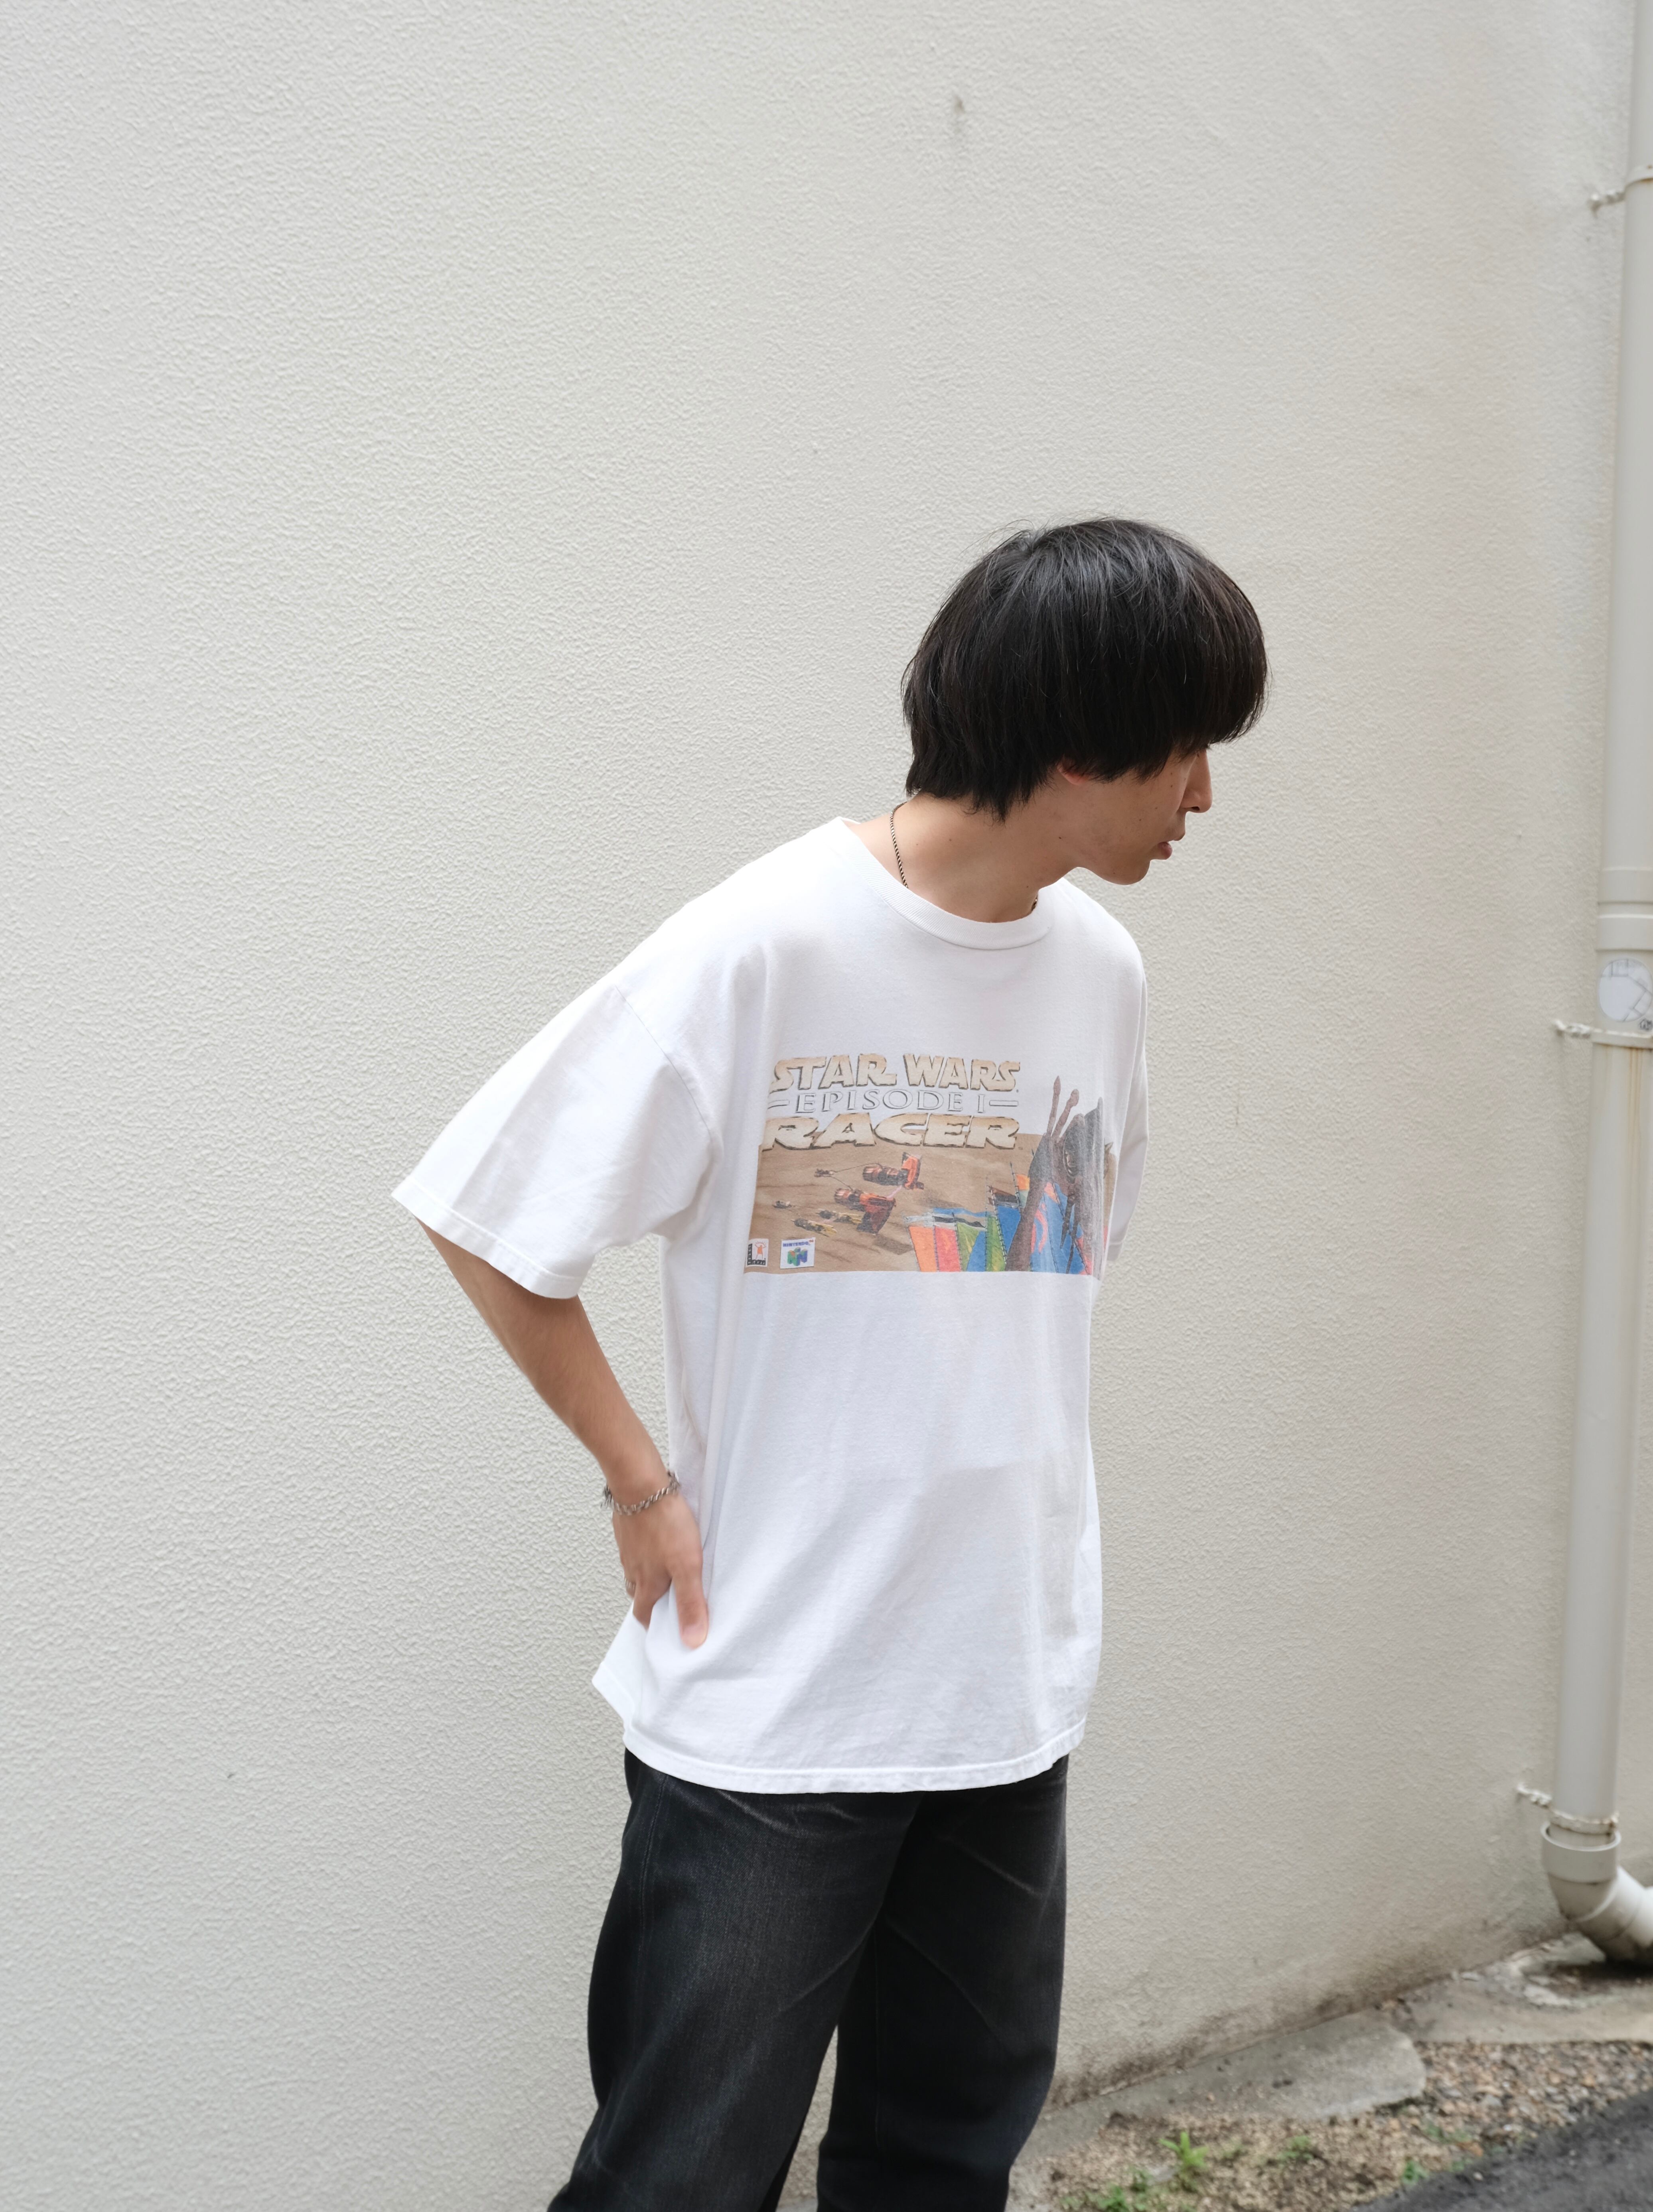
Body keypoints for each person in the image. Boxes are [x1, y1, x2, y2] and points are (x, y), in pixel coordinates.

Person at [393, 518, 1267, 2212]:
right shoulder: (765, 944)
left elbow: (1039, 1293)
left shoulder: (1100, 975)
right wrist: (639, 1483)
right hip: (776, 1707)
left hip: (1002, 1685)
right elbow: (492, 1214)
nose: (1203, 799)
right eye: (1187, 751)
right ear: (1078, 744)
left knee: (940, 2159)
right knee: (678, 2174)